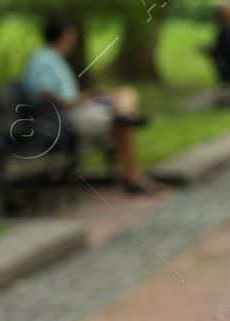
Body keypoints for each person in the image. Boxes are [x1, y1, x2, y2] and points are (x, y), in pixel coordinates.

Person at [22, 18, 158, 194]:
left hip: (77, 109)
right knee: (120, 124)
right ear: (64, 36)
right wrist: (77, 100)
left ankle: (124, 114)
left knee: (126, 92)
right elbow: (44, 93)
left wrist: (88, 96)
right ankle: (133, 176)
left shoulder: (53, 58)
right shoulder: (44, 59)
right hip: (65, 118)